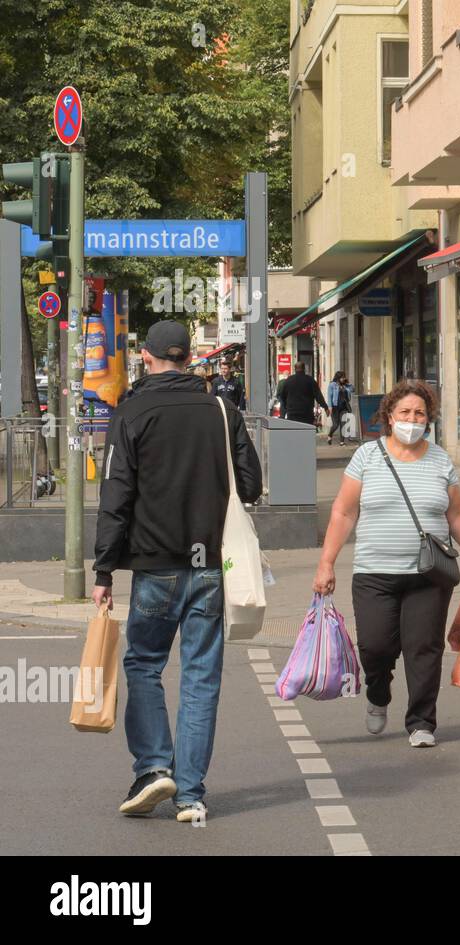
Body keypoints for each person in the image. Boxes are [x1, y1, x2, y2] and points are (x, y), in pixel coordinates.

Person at [92, 320, 263, 823]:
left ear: (145, 357)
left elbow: (115, 498)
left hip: (154, 566)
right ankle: (190, 794)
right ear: (189, 358)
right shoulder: (221, 409)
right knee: (201, 676)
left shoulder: (131, 413)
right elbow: (249, 484)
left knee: (144, 664)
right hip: (209, 565)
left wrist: (103, 570)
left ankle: (152, 768)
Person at [313, 379, 460, 747]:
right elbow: (344, 512)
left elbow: (458, 514)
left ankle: (422, 722)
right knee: (375, 647)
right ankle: (378, 693)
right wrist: (326, 563)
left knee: (424, 648)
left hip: (428, 574)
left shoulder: (439, 458)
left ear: (428, 420)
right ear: (390, 417)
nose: (413, 419)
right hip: (374, 573)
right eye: (405, 413)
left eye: (420, 413)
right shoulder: (367, 456)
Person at [275, 361, 328, 427]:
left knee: (294, 433)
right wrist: (325, 407)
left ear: (295, 369)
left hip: (292, 414)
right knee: (306, 433)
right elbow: (318, 396)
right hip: (307, 413)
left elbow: (282, 396)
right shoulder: (310, 380)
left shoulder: (288, 380)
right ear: (304, 369)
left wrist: (287, 407)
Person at [326, 371, 353, 445]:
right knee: (336, 424)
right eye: (342, 377)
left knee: (343, 424)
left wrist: (348, 383)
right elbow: (329, 396)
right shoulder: (332, 385)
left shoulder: (345, 385)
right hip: (335, 407)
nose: (344, 378)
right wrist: (330, 407)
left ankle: (342, 442)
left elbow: (353, 389)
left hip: (344, 407)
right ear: (338, 377)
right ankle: (330, 435)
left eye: (344, 377)